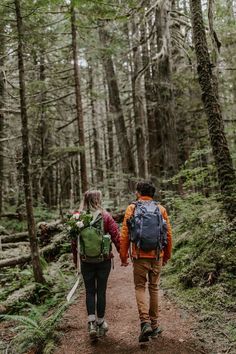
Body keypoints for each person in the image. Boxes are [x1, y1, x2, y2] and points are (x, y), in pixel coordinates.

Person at [120, 180, 172, 343]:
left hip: (139, 255)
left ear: (138, 193)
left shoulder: (132, 208)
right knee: (154, 288)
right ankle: (155, 325)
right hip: (157, 254)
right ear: (152, 194)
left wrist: (123, 256)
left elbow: (124, 234)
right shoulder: (160, 209)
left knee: (140, 287)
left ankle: (145, 323)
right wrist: (167, 255)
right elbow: (168, 234)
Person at [71, 190, 120, 339]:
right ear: (98, 199)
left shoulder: (78, 217)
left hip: (86, 260)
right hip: (103, 260)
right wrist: (123, 255)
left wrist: (76, 261)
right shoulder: (105, 216)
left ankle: (91, 323)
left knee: (90, 291)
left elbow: (74, 242)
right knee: (101, 291)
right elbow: (116, 235)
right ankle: (100, 323)